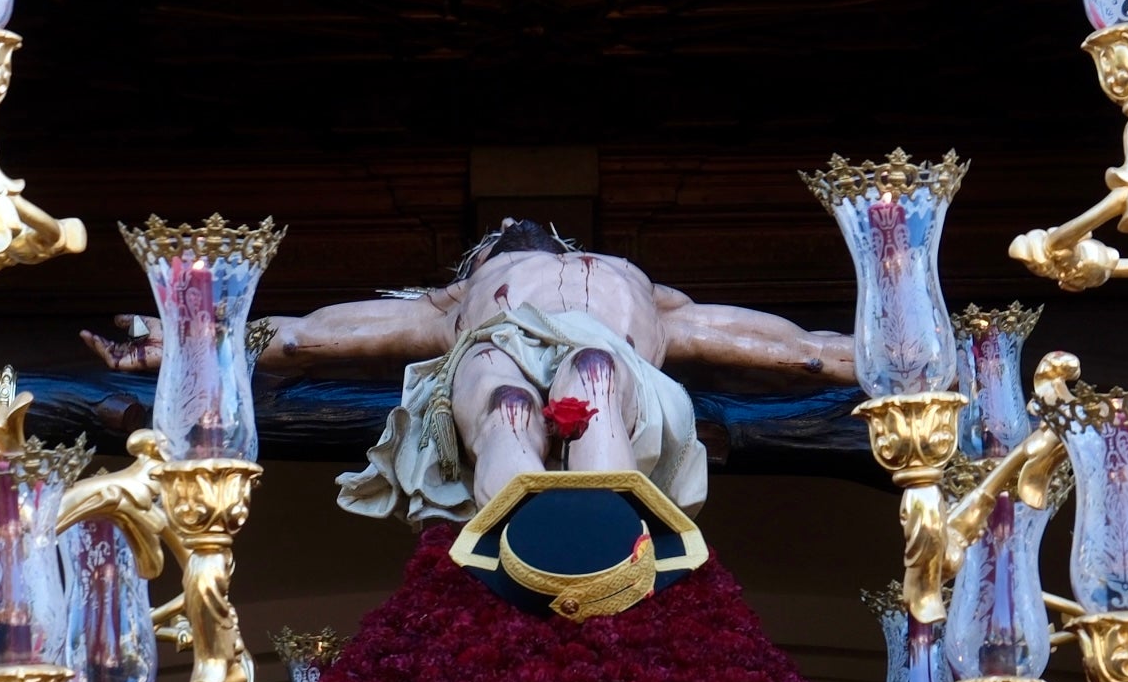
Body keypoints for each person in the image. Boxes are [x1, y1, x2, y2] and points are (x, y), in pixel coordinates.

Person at [84, 218, 856, 522]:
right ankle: (520, 525)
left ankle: (592, 521)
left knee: (591, 374)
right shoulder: (456, 300)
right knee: (507, 402)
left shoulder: (652, 295)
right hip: (496, 354)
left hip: (609, 358)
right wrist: (198, 338)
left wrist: (891, 357)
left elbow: (795, 347)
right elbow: (315, 336)